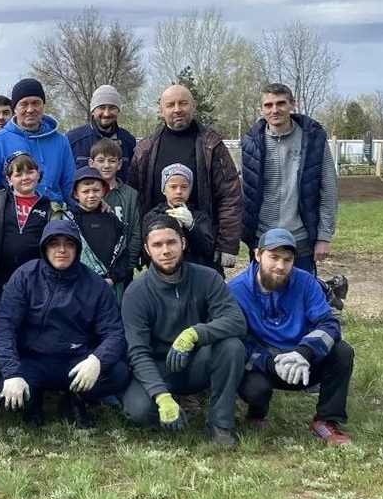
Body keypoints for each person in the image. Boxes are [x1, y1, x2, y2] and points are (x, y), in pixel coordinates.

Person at [120, 215, 247, 448]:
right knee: (139, 411)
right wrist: (161, 395)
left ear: (183, 243)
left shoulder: (207, 278)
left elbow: (236, 321)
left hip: (196, 362)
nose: (165, 251)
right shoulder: (136, 293)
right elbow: (137, 351)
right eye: (157, 245)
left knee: (231, 347)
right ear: (147, 249)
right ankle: (169, 406)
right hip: (158, 368)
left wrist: (195, 334)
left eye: (171, 242)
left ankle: (220, 424)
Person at [0, 219, 130, 428]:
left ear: (78, 248)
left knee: (119, 373)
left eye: (69, 243)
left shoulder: (95, 283)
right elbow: (4, 326)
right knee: (4, 395)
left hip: (76, 360)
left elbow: (114, 333)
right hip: (32, 359)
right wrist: (12, 373)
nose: (62, 250)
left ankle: (75, 400)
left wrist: (97, 360)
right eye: (54, 243)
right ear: (44, 247)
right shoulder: (24, 276)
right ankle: (33, 400)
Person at [228, 228, 354, 445]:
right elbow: (237, 339)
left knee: (343, 352)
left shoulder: (306, 282)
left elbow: (328, 323)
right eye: (274, 257)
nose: (280, 265)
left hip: (302, 362)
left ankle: (326, 420)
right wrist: (268, 363)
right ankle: (256, 413)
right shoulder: (236, 290)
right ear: (257, 255)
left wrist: (305, 352)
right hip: (265, 364)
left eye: (287, 260)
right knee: (255, 388)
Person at [127, 84, 241, 274]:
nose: (177, 109)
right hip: (161, 246)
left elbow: (229, 195)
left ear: (193, 105)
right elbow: (135, 199)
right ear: (161, 110)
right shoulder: (145, 149)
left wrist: (227, 243)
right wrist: (139, 244)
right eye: (170, 105)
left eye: (183, 103)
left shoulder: (211, 145)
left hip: (202, 245)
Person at [240, 84, 339, 274]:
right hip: (262, 238)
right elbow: (246, 191)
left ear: (292, 105)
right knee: (263, 290)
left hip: (300, 238)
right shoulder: (250, 143)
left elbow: (329, 187)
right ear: (261, 110)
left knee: (301, 290)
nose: (274, 110)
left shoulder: (313, 139)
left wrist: (324, 236)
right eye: (268, 105)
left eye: (281, 103)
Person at [0, 152, 62, 312]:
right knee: (2, 319)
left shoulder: (50, 207)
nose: (25, 178)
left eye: (30, 172)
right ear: (9, 179)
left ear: (38, 174)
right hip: (0, 278)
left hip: (37, 279)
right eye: (18, 174)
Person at [0, 78, 76, 205]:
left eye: (36, 103)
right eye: (24, 104)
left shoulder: (60, 141)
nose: (30, 109)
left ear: (43, 105)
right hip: (14, 213)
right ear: (15, 108)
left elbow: (70, 185)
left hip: (53, 212)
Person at [68, 166, 136, 299]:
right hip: (78, 286)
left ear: (103, 191)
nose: (91, 195)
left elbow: (122, 254)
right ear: (76, 194)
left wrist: (112, 279)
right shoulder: (68, 220)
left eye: (96, 190)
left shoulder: (113, 219)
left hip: (110, 286)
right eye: (85, 191)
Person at [140, 164, 215, 268]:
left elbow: (207, 249)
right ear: (163, 190)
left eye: (184, 187)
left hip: (194, 270)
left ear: (190, 189)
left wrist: (192, 226)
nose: (179, 192)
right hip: (163, 271)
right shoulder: (152, 216)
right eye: (173, 187)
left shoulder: (200, 217)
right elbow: (147, 249)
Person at [66, 84, 138, 183]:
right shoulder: (73, 139)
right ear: (93, 110)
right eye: (101, 107)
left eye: (112, 108)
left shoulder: (128, 141)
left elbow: (133, 178)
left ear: (118, 111)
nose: (106, 113)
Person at [89, 138, 141, 253]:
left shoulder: (130, 195)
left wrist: (130, 260)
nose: (107, 165)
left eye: (112, 161)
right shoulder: (86, 195)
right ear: (91, 163)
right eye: (101, 160)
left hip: (123, 259)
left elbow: (136, 232)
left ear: (119, 164)